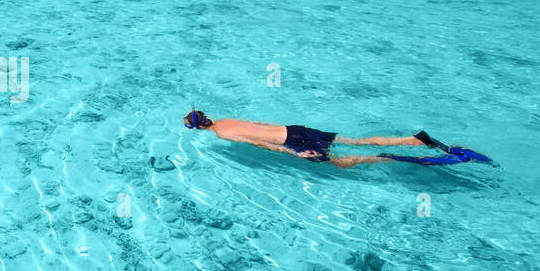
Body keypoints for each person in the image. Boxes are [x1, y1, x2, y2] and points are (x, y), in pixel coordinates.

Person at [183, 110, 434, 168]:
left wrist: (295, 153)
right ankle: (413, 140)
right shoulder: (227, 120)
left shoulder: (222, 132)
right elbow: (262, 126)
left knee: (338, 162)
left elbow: (260, 143)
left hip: (293, 142)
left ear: (198, 129)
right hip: (294, 129)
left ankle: (389, 159)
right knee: (354, 141)